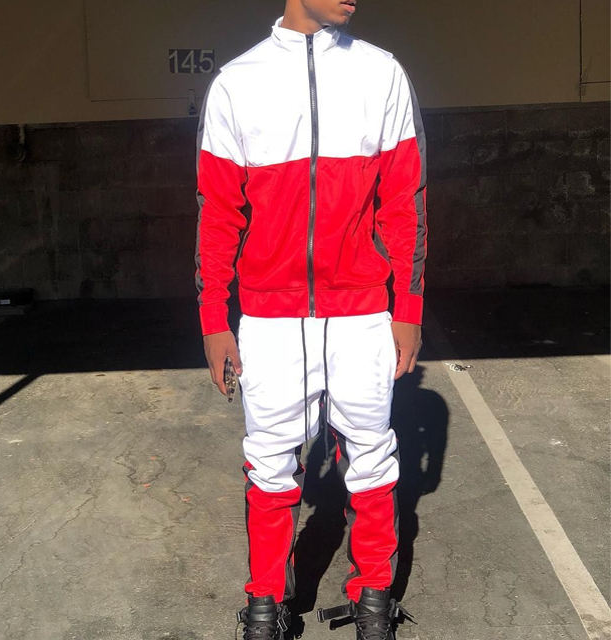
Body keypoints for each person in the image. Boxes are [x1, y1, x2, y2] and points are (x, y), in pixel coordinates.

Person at [194, 0, 427, 637]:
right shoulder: (237, 83)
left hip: (362, 312)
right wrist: (214, 319)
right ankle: (265, 606)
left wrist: (407, 307)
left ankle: (373, 600)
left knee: (373, 456)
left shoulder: (381, 73)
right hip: (270, 316)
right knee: (269, 464)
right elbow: (217, 212)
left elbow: (404, 200)